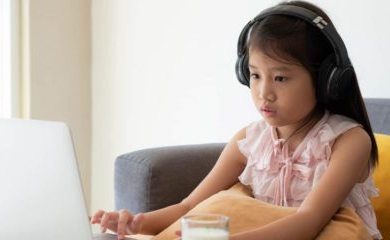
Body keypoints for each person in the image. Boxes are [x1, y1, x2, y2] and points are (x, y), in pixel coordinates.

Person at [91, 1, 382, 239]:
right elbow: (189, 206)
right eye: (255, 75)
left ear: (326, 80)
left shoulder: (348, 141)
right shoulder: (249, 141)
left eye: (280, 78)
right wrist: (135, 223)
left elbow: (309, 222)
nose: (264, 93)